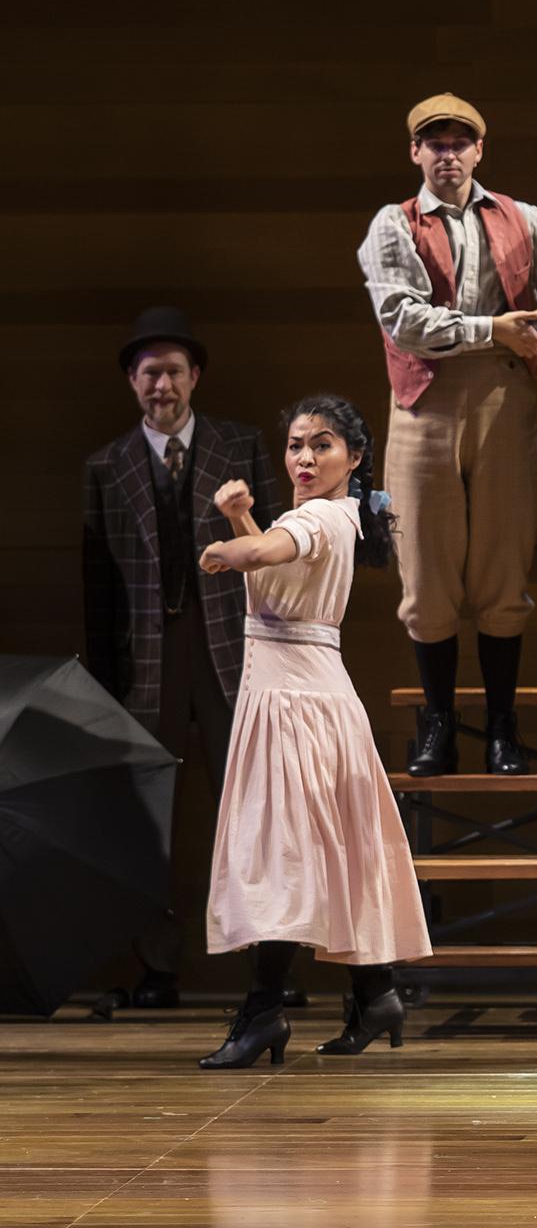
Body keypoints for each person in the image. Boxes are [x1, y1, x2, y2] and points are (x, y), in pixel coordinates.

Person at [196, 395, 432, 1069]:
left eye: (321, 445)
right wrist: (242, 518)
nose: (304, 457)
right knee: (322, 853)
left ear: (354, 458)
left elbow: (272, 550)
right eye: (297, 445)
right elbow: (277, 576)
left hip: (297, 703)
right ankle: (374, 991)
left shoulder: (324, 514)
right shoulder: (332, 512)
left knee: (280, 854)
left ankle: (262, 1012)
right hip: (302, 695)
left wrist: (230, 545)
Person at [359, 92, 537, 778]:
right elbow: (403, 320)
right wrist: (492, 331)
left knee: (501, 567)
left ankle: (502, 726)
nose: (448, 153)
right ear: (415, 153)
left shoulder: (522, 218)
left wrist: (529, 339)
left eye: (460, 142)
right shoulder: (392, 226)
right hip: (424, 402)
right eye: (435, 143)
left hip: (503, 395)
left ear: (479, 150)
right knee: (424, 569)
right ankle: (437, 724)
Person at [82, 306, 295, 1014]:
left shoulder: (242, 446)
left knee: (264, 808)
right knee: (148, 822)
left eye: (174, 371)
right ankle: (158, 969)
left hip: (237, 651)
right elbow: (99, 587)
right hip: (148, 659)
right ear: (132, 384)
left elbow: (276, 550)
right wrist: (106, 688)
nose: (162, 386)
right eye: (150, 375)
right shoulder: (106, 467)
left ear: (195, 376)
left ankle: (273, 969)